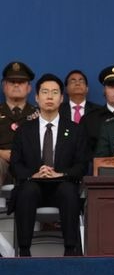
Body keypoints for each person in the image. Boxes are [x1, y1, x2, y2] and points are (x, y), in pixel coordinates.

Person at [8, 74, 89, 256]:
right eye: (45, 92)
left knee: (69, 191)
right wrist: (33, 175)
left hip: (62, 183)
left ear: (62, 98)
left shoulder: (75, 130)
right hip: (33, 183)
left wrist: (60, 174)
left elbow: (81, 164)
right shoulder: (24, 130)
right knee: (27, 191)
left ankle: (71, 251)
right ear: (37, 97)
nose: (49, 97)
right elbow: (15, 163)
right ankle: (24, 251)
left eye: (54, 92)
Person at [0, 61, 38, 185]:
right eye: (11, 82)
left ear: (29, 88)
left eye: (21, 82)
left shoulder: (39, 114)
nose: (16, 85)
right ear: (4, 86)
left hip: (30, 163)